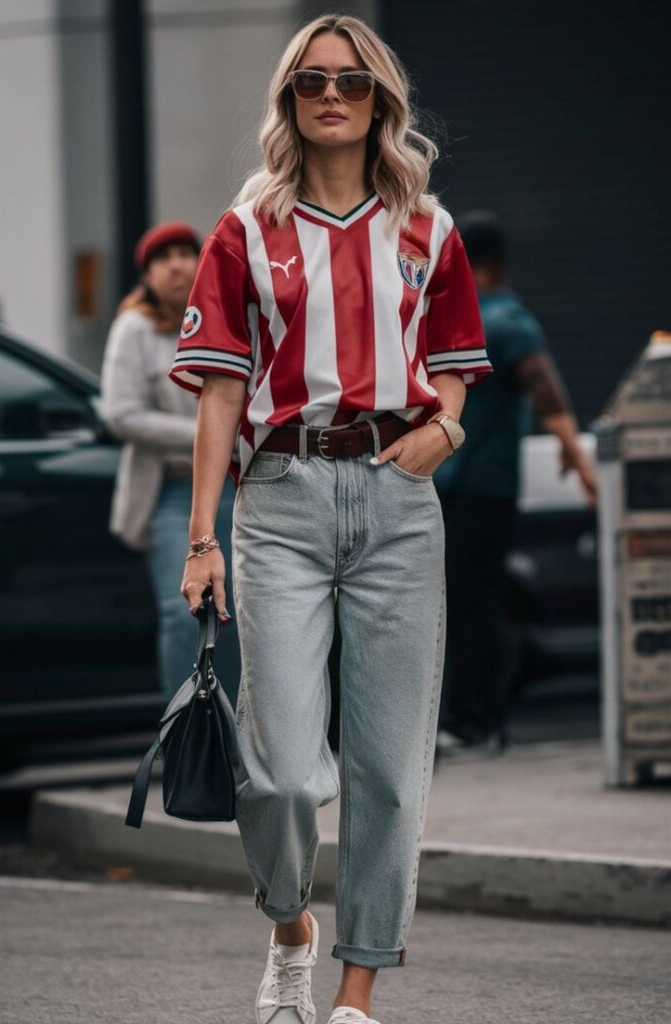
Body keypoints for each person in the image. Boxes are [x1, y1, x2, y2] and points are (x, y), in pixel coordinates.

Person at [170, 15, 492, 1024]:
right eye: (310, 79)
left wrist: (445, 428)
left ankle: (354, 993)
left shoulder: (426, 229)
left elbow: (454, 359)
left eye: (349, 80)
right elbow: (218, 393)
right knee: (274, 774)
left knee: (389, 770)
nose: (330, 94)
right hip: (281, 498)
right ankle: (287, 928)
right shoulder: (242, 230)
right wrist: (199, 537)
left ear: (377, 98)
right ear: (290, 98)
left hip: (397, 497)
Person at [434, 210, 597, 751]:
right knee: (470, 605)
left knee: (473, 607)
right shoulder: (475, 316)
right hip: (465, 489)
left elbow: (545, 391)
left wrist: (581, 462)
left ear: (473, 264)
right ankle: (474, 717)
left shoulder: (503, 321)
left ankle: (474, 723)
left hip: (480, 491)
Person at [100, 221, 213, 700]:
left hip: (235, 485)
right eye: (162, 258)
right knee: (182, 612)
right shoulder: (135, 328)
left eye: (186, 253)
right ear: (146, 273)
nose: (176, 265)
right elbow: (120, 414)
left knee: (243, 615)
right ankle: (185, 735)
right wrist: (207, 437)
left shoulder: (223, 314)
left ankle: (239, 739)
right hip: (170, 489)